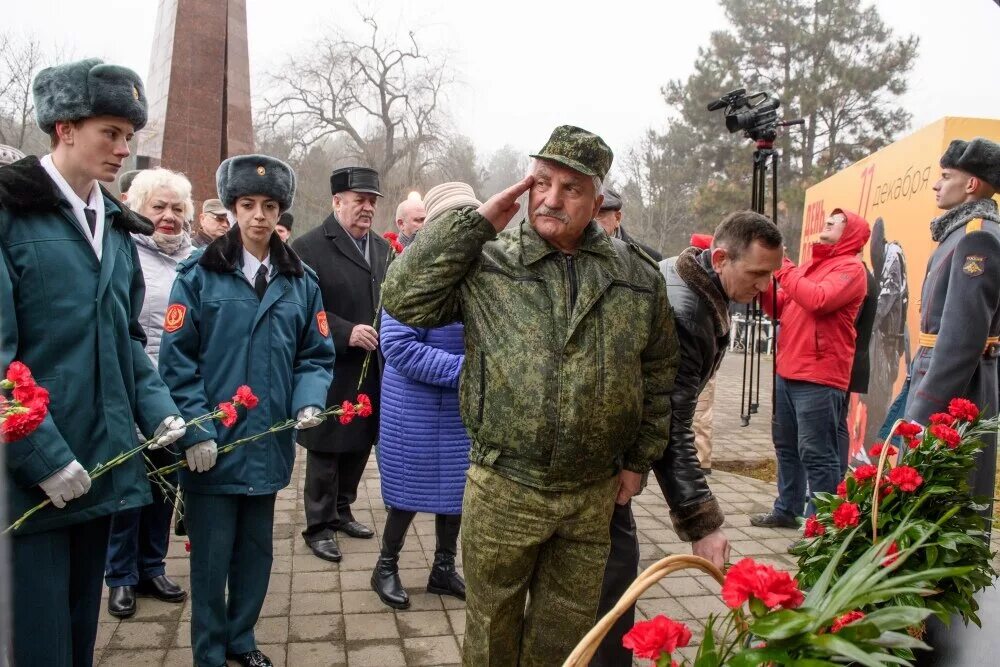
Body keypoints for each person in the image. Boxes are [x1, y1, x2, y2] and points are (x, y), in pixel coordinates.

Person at [383, 125, 706, 665]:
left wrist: (636, 460)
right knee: (491, 636)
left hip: (590, 494)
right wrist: (475, 224)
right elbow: (403, 298)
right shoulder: (489, 259)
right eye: (542, 181)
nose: (552, 198)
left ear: (596, 199)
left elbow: (657, 373)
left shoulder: (635, 276)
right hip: (505, 485)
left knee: (563, 640)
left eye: (571, 188)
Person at [0, 58, 187, 667]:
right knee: (35, 638)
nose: (123, 148)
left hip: (99, 466)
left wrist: (161, 414)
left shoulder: (114, 227)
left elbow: (125, 341)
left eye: (128, 136)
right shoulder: (10, 214)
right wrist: (43, 459)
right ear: (64, 127)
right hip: (30, 477)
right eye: (110, 132)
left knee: (81, 632)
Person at [158, 154, 335, 667]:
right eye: (247, 204)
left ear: (281, 211)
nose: (259, 215)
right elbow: (178, 362)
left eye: (270, 205)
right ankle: (209, 652)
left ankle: (242, 639)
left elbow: (315, 354)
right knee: (211, 560)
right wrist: (197, 428)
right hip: (213, 446)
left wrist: (307, 402)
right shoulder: (198, 275)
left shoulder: (300, 280)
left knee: (257, 553)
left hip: (266, 441)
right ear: (234, 208)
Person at [593, 211, 782, 666]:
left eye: (770, 275)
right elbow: (673, 426)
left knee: (609, 568)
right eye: (757, 274)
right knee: (614, 572)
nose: (764, 288)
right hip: (603, 452)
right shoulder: (687, 311)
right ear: (719, 257)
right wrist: (703, 523)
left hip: (614, 447)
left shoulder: (694, 280)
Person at [899, 138, 1000, 667]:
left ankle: (947, 633)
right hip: (940, 377)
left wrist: (919, 414)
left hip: (957, 393)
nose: (937, 183)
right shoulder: (961, 234)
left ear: (973, 184)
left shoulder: (978, 239)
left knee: (951, 514)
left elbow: (961, 341)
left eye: (946, 175)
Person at [370, 183, 478, 610]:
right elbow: (396, 345)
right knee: (408, 493)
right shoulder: (411, 269)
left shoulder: (476, 270)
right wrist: (468, 371)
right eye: (456, 221)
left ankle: (443, 569)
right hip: (414, 405)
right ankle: (385, 567)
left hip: (457, 407)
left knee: (454, 493)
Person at [105, 168, 195, 618]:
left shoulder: (193, 260)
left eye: (177, 208)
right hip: (130, 388)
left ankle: (152, 565)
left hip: (175, 393)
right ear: (137, 208)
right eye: (158, 207)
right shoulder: (122, 254)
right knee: (128, 487)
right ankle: (120, 576)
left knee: (166, 484)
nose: (168, 216)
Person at [292, 166, 389, 562]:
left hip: (371, 367)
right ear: (337, 202)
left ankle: (343, 509)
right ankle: (318, 525)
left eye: (372, 201)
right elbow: (299, 310)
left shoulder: (383, 249)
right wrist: (344, 331)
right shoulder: (309, 247)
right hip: (330, 366)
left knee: (360, 441)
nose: (366, 208)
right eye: (358, 200)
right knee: (326, 447)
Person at [752, 209, 870, 528]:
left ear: (852, 233)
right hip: (787, 371)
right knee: (786, 446)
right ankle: (786, 509)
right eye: (828, 218)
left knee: (817, 453)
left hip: (820, 377)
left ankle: (823, 524)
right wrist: (764, 284)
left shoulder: (851, 269)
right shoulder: (811, 266)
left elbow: (818, 299)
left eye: (837, 220)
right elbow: (782, 306)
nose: (829, 221)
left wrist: (783, 266)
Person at [837, 260, 876, 473]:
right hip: (850, 360)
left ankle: (836, 476)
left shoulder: (858, 274)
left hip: (847, 361)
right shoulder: (862, 272)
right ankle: (837, 475)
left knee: (835, 426)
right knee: (838, 423)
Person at [595, 186, 663, 261]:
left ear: (617, 218)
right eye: (587, 214)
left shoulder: (648, 257)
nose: (591, 222)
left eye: (599, 215)